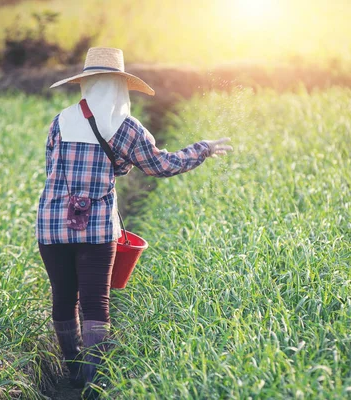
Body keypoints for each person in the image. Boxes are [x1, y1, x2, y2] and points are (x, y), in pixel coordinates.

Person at [35, 47, 232, 398]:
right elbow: (162, 166)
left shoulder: (61, 120)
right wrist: (203, 148)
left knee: (64, 299)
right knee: (96, 301)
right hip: (96, 228)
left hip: (51, 223)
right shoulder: (125, 128)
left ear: (87, 84)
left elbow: (52, 167)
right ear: (119, 86)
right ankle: (93, 379)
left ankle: (72, 368)